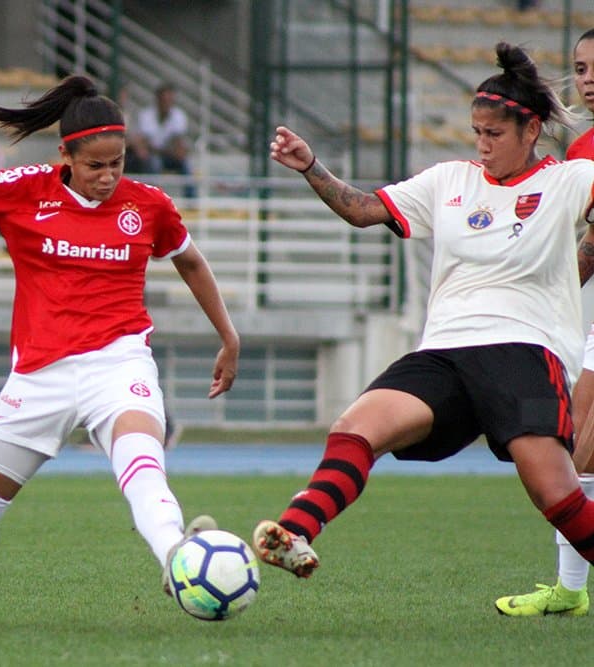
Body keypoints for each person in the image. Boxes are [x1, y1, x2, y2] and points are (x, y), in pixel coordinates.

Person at [251, 42, 594, 602]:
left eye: (494, 134)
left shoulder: (566, 181)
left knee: (557, 496)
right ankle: (295, 531)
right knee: (356, 427)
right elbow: (363, 210)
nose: (481, 145)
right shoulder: (448, 181)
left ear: (531, 130)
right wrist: (311, 166)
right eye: (476, 132)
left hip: (523, 350)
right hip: (444, 352)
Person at [0, 74, 240, 625]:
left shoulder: (149, 205)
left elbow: (191, 261)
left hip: (119, 362)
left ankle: (178, 556)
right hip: (39, 376)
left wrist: (230, 336)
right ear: (66, 155)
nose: (108, 177)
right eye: (95, 165)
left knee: (142, 462)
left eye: (118, 164)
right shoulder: (25, 187)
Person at [494, 28, 594, 617]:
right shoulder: (582, 151)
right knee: (579, 453)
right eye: (580, 68)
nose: (587, 78)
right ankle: (569, 591)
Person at [135, 82, 194, 196]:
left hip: (169, 155)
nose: (167, 103)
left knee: (186, 164)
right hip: (152, 156)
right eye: (164, 100)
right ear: (157, 99)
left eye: (169, 100)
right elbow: (145, 142)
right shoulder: (146, 115)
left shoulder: (179, 116)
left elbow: (178, 142)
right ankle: (154, 197)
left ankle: (192, 201)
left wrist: (176, 151)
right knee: (154, 163)